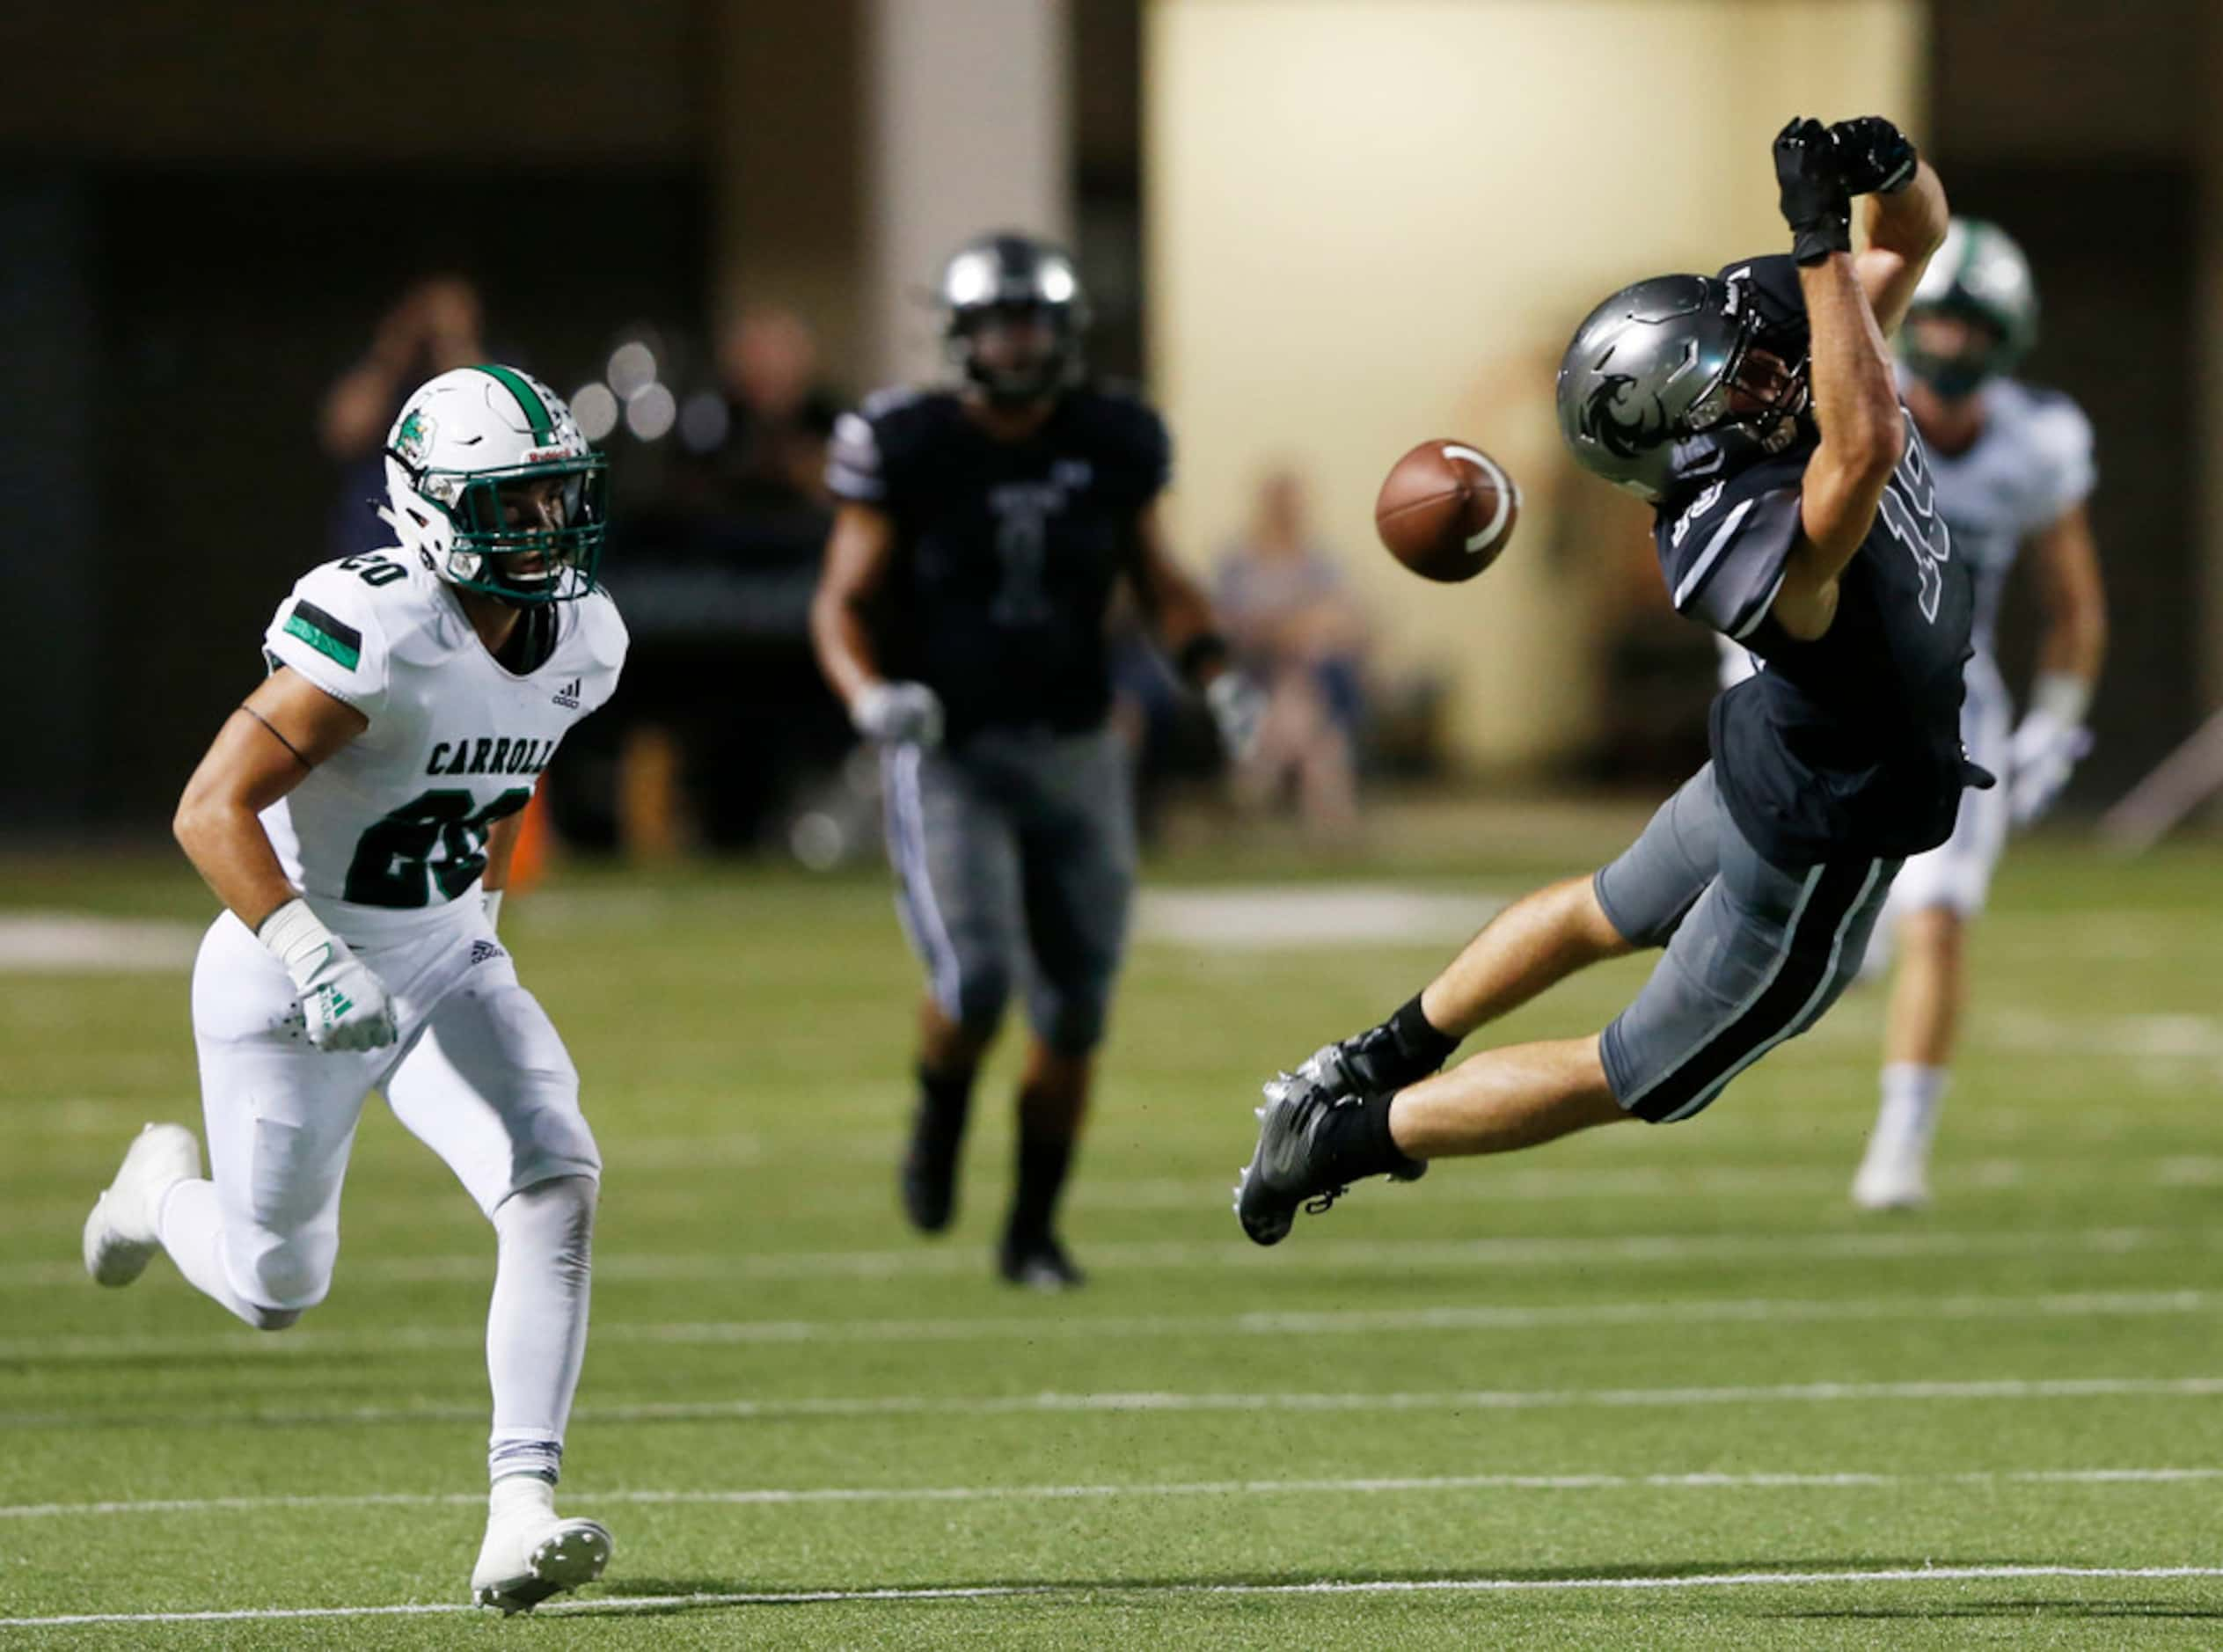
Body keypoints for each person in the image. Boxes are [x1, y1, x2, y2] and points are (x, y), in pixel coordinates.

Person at [1236, 117, 1971, 1245]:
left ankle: (1371, 1056)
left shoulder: (1776, 341)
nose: (1768, 370)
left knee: (1600, 909)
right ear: (1678, 444)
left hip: (1775, 743)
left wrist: (1884, 174)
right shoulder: (1725, 533)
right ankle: (1339, 1139)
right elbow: (1860, 449)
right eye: (1733, 384)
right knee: (1628, 1073)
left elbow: (1913, 242)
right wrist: (1821, 241)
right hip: (1822, 824)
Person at [80, 366, 629, 1612]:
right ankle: (161, 1194)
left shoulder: (588, 635)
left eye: (552, 497)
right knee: (279, 1284)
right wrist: (310, 952)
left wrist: (472, 925)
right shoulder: (374, 630)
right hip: (286, 968)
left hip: (437, 952)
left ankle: (518, 1510)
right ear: (429, 510)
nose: (541, 527)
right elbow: (208, 806)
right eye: (510, 504)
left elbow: (487, 784)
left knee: (553, 1172)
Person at [813, 231, 1263, 1289]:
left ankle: (1031, 1231)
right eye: (999, 323)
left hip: (1077, 745)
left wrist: (1215, 670)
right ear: (962, 335)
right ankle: (938, 1117)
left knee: (1074, 1009)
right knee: (975, 981)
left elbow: (1155, 574)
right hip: (951, 750)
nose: (1018, 344)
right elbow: (840, 599)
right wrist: (869, 694)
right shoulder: (906, 440)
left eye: (1035, 323)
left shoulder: (1113, 437)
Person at [1720, 218, 2105, 1208]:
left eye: (1973, 331)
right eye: (1938, 325)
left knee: (1939, 922)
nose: (1949, 348)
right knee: (1768, 924)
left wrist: (2055, 721)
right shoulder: (1858, 404)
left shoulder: (2036, 440)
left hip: (1950, 705)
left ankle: (1899, 1146)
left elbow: (2074, 608)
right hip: (1818, 685)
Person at [1214, 469, 1367, 838]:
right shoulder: (1237, 564)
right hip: (1256, 671)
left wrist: (1293, 630)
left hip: (1312, 672)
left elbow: (1342, 622)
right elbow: (1227, 624)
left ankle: (1253, 790)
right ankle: (1328, 815)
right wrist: (1285, 631)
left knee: (1302, 688)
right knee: (1306, 718)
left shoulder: (1320, 562)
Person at [320, 277, 487, 559]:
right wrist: (397, 345)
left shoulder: (486, 373)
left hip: (456, 553)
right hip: (372, 551)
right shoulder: (384, 374)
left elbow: (489, 426)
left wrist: (453, 342)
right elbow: (344, 432)